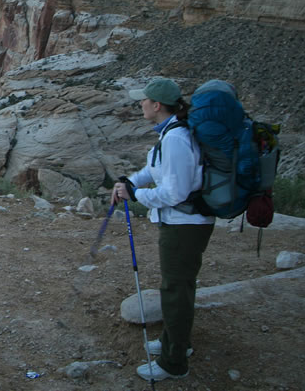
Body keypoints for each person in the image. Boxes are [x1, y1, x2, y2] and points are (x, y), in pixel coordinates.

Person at [110, 78, 215, 382]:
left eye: (143, 100)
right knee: (178, 286)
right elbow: (153, 171)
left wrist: (136, 196)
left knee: (175, 290)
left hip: (185, 224)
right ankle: (175, 342)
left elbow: (174, 192)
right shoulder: (170, 133)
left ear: (157, 106)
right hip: (182, 222)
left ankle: (174, 363)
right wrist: (131, 182)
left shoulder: (176, 139)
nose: (139, 104)